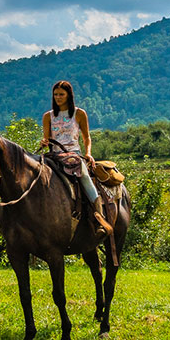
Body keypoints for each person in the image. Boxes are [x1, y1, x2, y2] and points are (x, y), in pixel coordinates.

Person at [41, 80, 112, 240]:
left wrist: (88, 153)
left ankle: (99, 218)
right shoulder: (48, 116)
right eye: (56, 94)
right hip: (54, 155)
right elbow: (47, 139)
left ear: (69, 95)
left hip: (74, 154)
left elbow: (87, 137)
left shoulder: (79, 114)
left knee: (85, 178)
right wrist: (44, 142)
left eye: (61, 94)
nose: (58, 97)